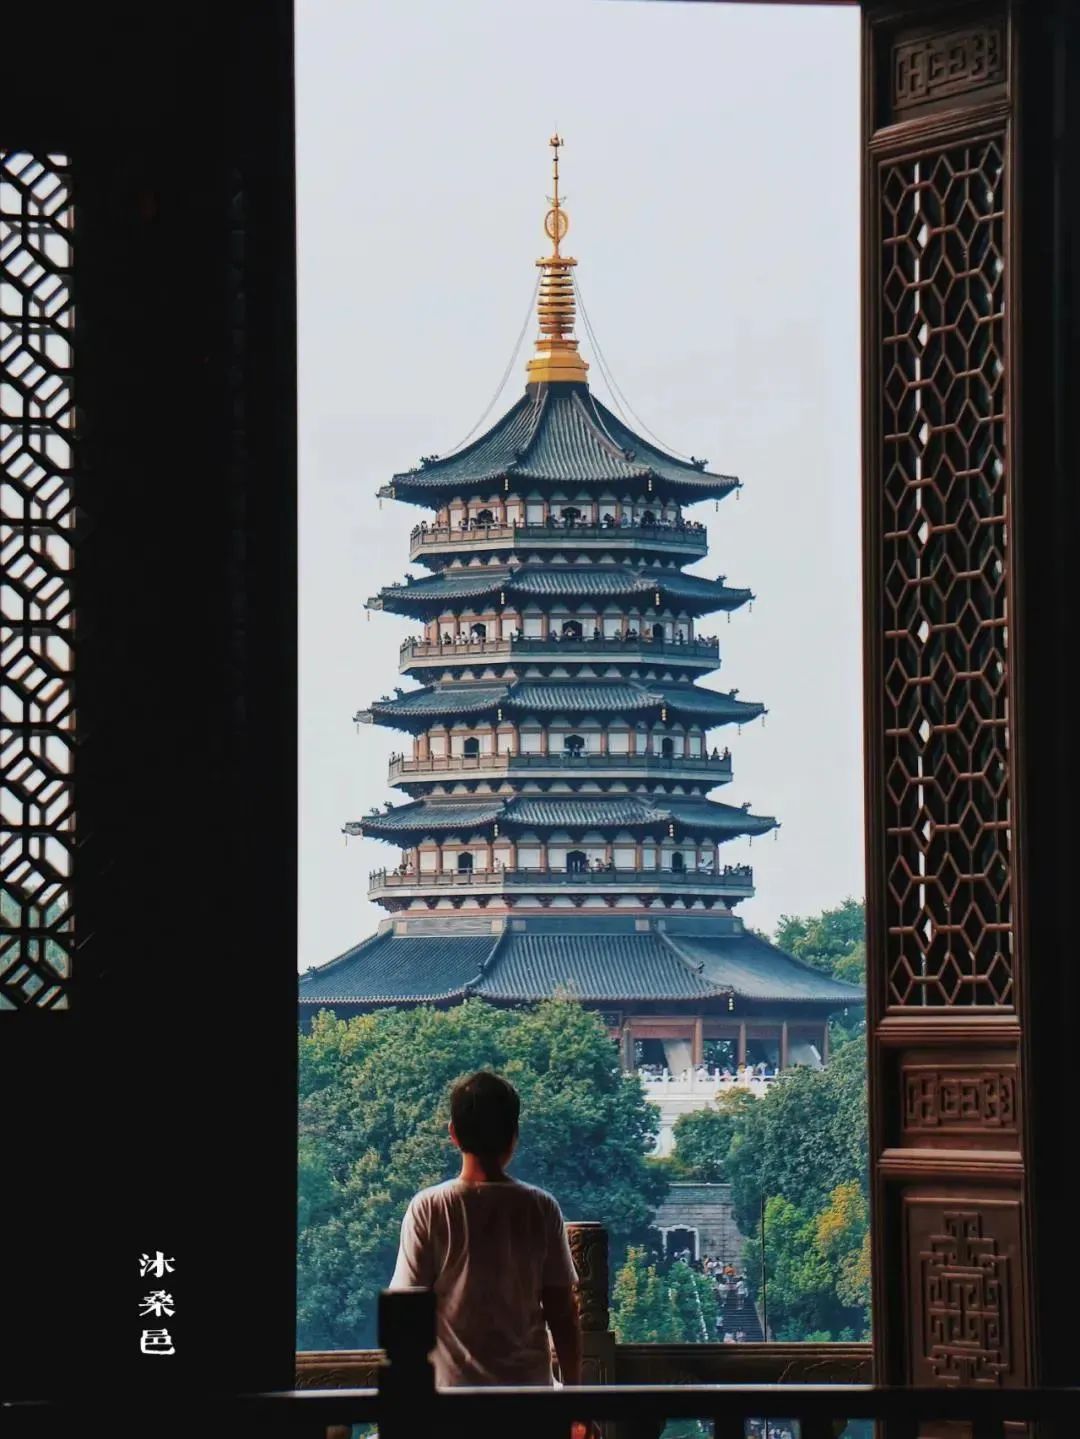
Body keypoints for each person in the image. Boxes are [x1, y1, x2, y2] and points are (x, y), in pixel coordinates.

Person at [389, 1071, 598, 1438]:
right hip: (527, 1403)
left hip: (449, 1405)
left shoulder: (430, 1208)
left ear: (453, 1133)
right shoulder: (540, 1208)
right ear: (513, 1136)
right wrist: (574, 1400)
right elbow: (563, 1315)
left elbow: (405, 1315)